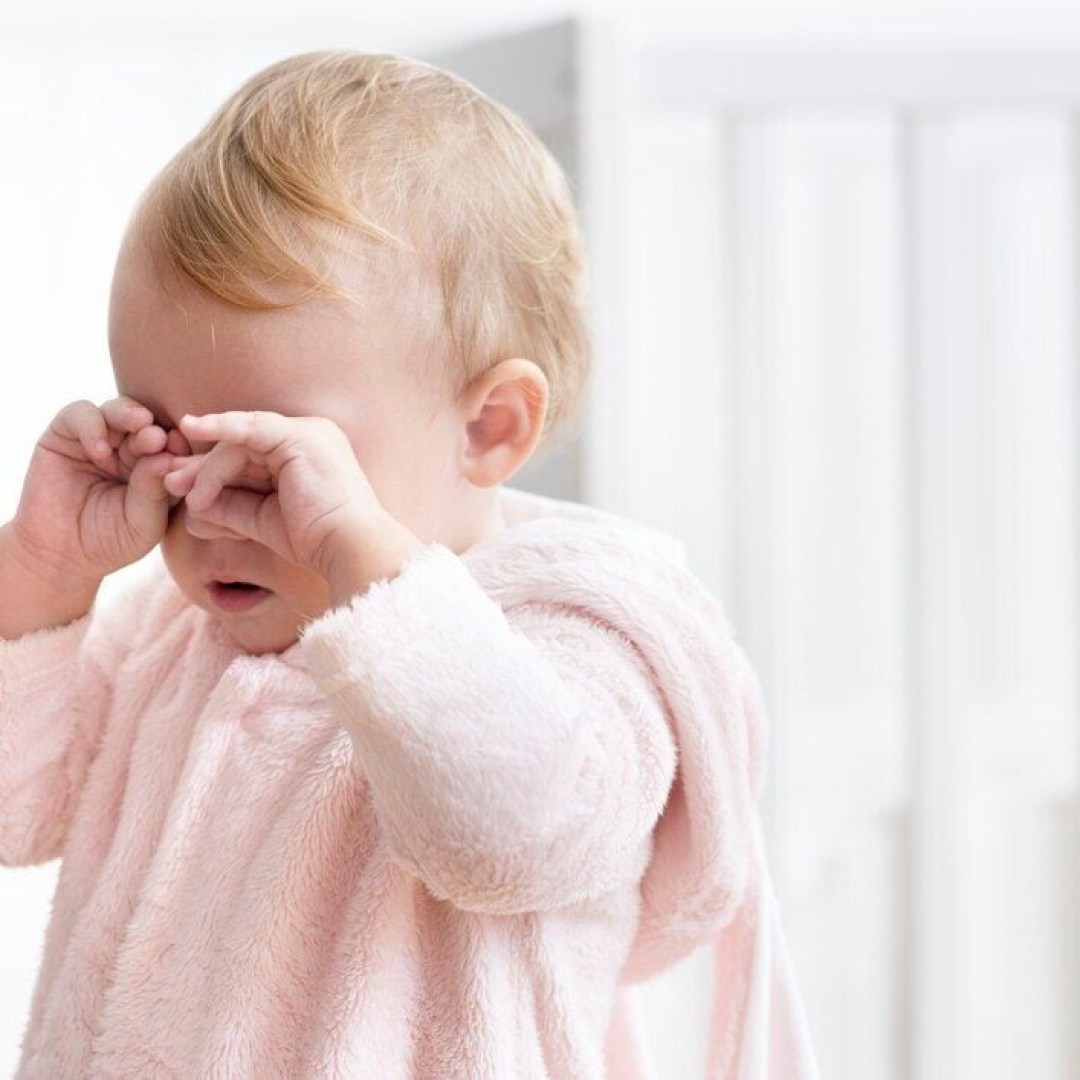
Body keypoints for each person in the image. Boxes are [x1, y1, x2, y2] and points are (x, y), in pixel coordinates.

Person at [0, 51, 820, 1078]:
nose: (205, 507)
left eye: (272, 460)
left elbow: (517, 834)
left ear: (487, 427)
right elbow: (14, 811)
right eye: (168, 443)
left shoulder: (574, 639)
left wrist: (362, 562)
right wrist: (40, 573)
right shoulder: (165, 636)